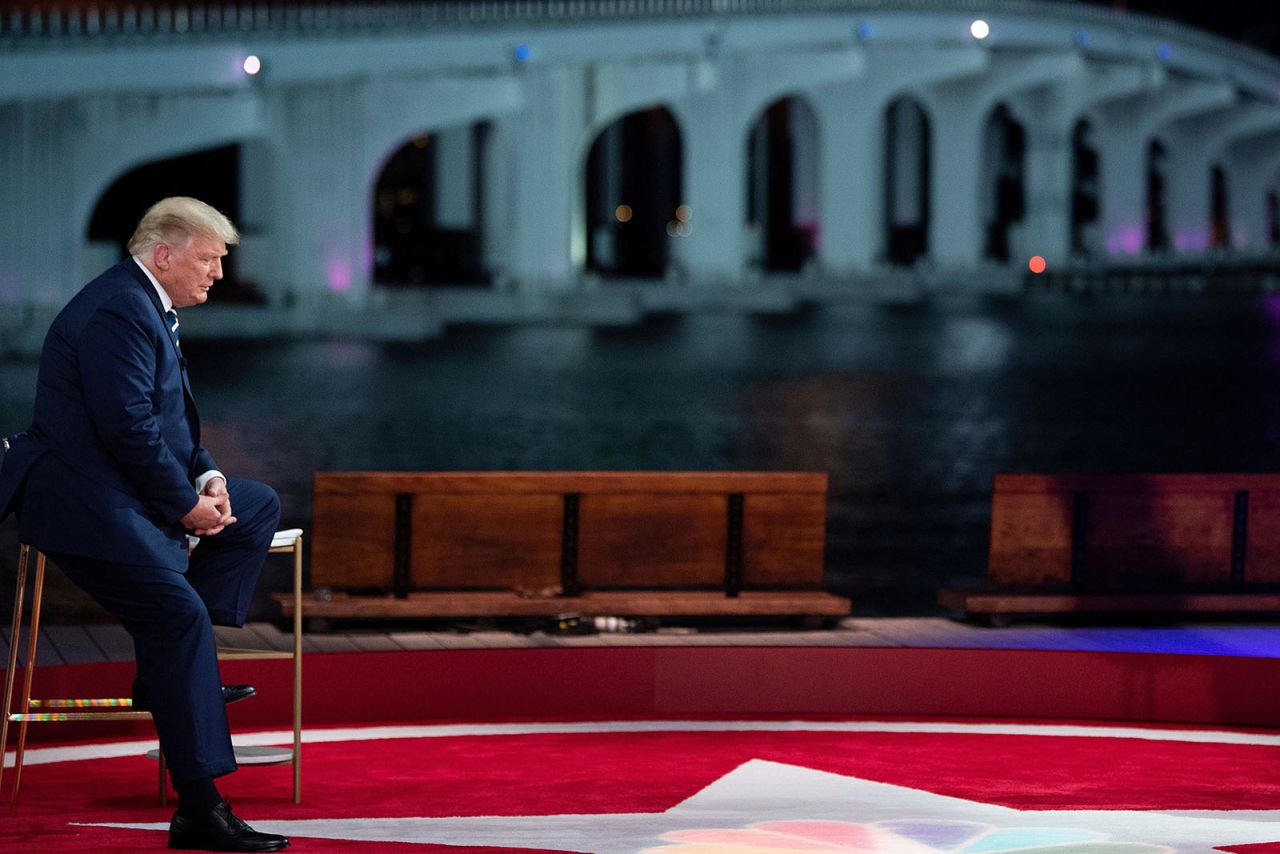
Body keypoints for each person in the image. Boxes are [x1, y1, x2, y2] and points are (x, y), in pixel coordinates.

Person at [0, 197, 289, 852]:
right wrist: (185, 507)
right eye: (209, 258)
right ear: (165, 253)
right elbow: (126, 429)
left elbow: (167, 426)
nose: (218, 273)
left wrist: (210, 479)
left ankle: (164, 670)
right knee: (178, 618)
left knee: (256, 505)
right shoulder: (119, 310)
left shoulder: (145, 304)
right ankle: (200, 811)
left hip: (122, 483)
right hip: (82, 498)